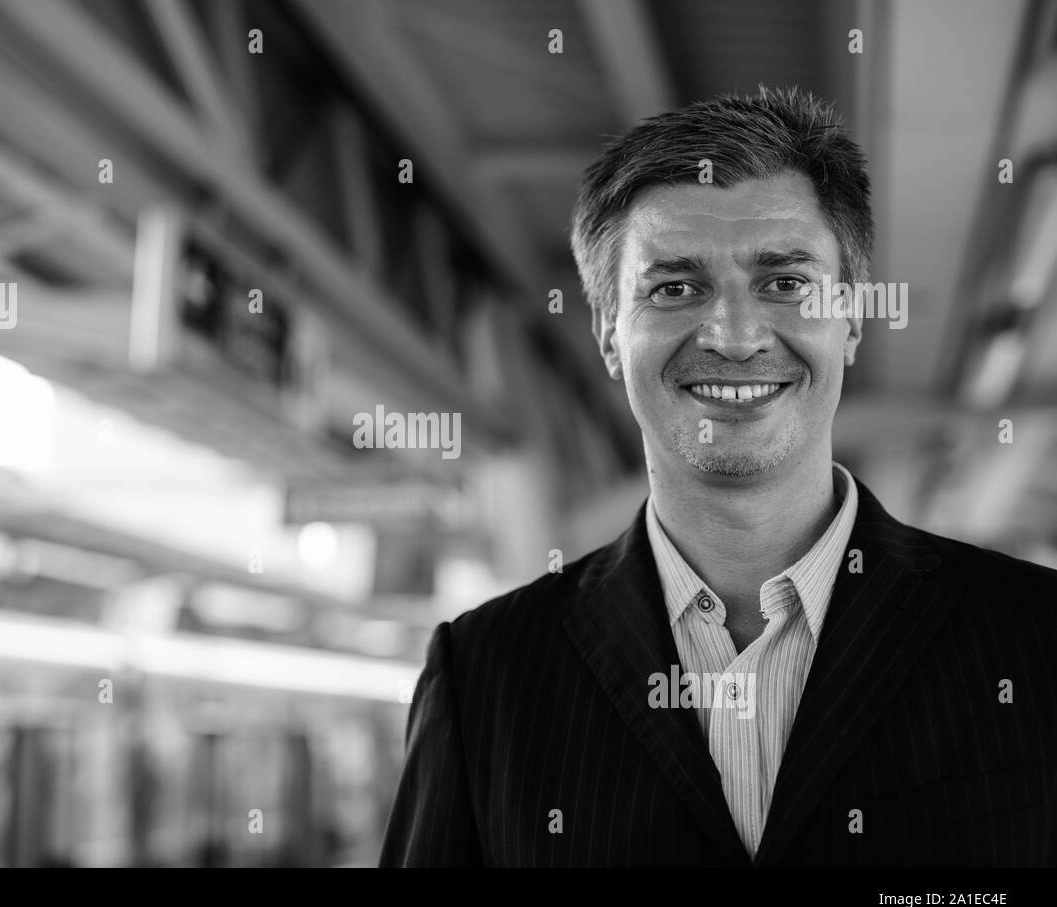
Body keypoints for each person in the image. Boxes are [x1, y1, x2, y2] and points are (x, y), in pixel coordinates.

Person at [379, 87, 1057, 867]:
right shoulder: (486, 680)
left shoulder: (1036, 642)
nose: (734, 337)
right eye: (675, 288)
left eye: (784, 282)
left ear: (854, 320)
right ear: (608, 333)